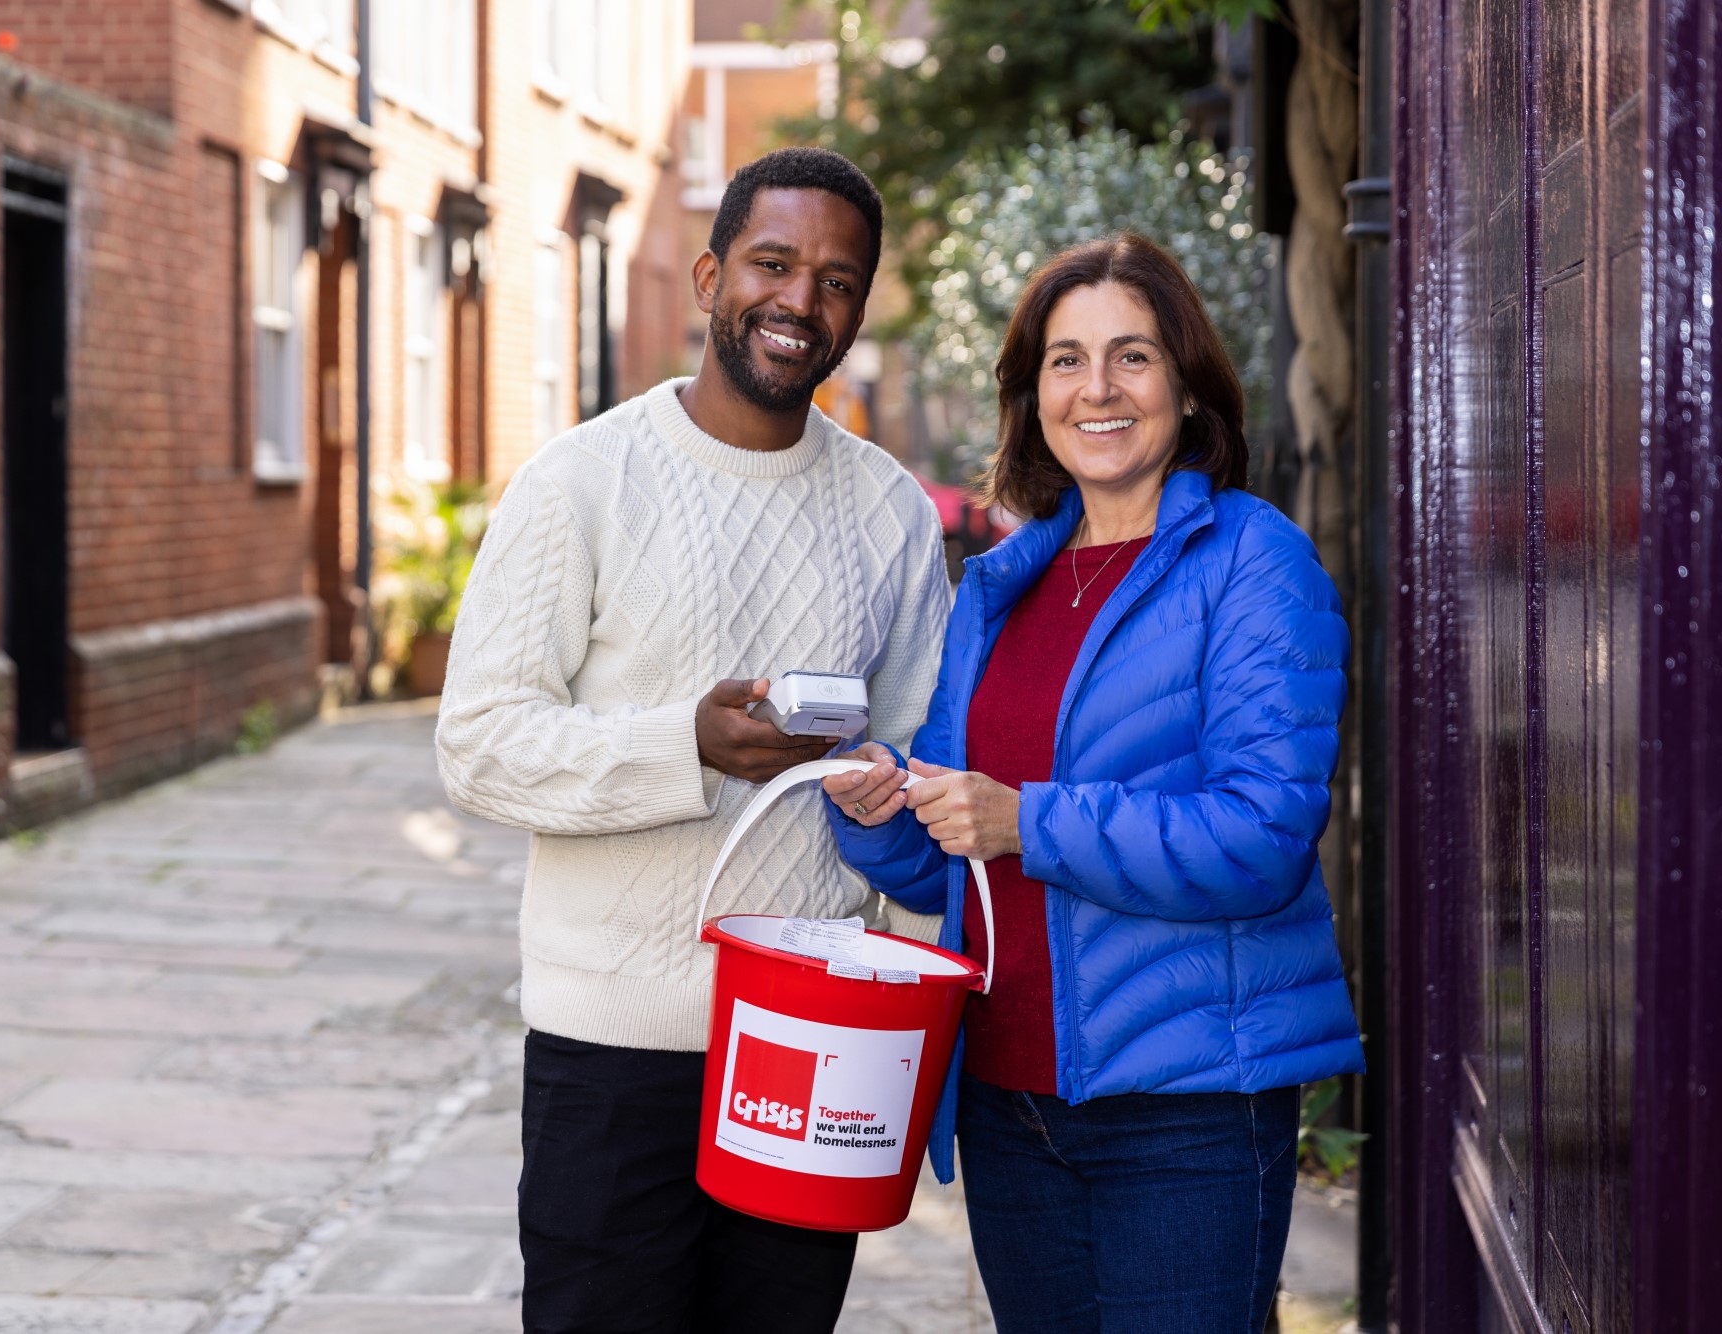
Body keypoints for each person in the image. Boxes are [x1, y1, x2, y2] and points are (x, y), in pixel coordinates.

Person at [436, 147, 950, 1334]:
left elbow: (922, 760)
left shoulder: (890, 514)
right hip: (614, 1042)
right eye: (772, 264)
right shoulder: (580, 481)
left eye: (835, 280)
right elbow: (477, 744)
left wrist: (888, 791)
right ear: (710, 275)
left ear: (857, 309)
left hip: (815, 1036)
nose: (798, 301)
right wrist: (688, 745)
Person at [821, 232, 1364, 1333]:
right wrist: (880, 809)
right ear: (1031, 397)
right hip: (1006, 1096)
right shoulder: (1001, 587)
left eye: (1131, 355)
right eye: (1064, 361)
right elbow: (951, 852)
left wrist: (1026, 819)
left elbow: (1261, 834)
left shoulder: (1252, 562)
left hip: (1188, 1106)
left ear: (1184, 381)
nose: (1096, 389)